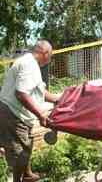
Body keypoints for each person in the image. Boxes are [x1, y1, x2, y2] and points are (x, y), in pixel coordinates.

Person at [0, 40, 60, 182]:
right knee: (20, 152)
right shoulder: (29, 64)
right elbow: (21, 94)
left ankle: (27, 174)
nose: (50, 60)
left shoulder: (31, 64)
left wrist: (57, 99)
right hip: (13, 114)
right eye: (50, 56)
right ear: (44, 53)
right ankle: (18, 180)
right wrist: (40, 115)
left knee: (27, 144)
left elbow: (40, 91)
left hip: (14, 112)